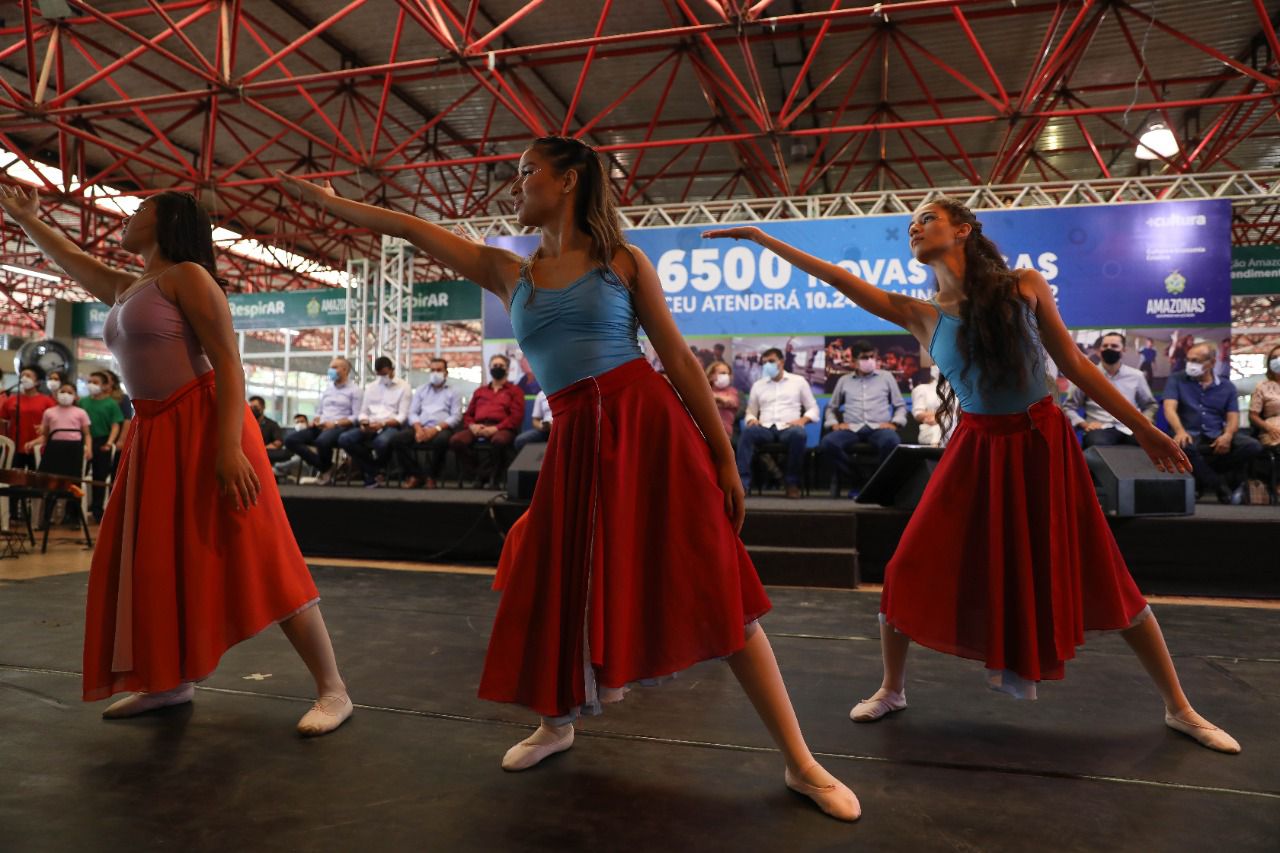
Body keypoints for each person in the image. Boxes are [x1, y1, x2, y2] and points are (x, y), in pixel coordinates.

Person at [279, 135, 859, 821]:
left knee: (716, 583)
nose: (516, 184)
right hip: (576, 436)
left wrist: (724, 454)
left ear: (570, 179)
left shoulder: (623, 262)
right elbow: (411, 226)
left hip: (647, 429)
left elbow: (676, 359)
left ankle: (800, 760)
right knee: (555, 579)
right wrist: (332, 203)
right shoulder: (508, 271)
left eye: (528, 172)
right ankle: (558, 723)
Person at [704, 197, 1239, 755]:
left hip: (1039, 442)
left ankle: (1181, 707)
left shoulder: (1023, 286)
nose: (914, 227)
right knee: (907, 563)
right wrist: (764, 240)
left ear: (963, 229)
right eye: (909, 224)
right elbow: (838, 277)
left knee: (1101, 569)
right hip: (977, 446)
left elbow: (1075, 367)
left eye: (926, 219)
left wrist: (1143, 429)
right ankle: (892, 688)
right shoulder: (921, 313)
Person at [0, 184, 350, 736]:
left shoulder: (189, 276)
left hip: (205, 423)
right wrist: (28, 221)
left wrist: (229, 446)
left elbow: (231, 365)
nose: (129, 216)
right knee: (154, 560)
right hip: (154, 430)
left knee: (261, 553)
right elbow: (69, 260)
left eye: (140, 210)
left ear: (166, 222)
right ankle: (168, 682)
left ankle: (333, 689)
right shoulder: (128, 286)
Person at [1163, 342, 1262, 505]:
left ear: (1212, 363)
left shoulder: (1227, 386)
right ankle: (1219, 485)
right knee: (1181, 446)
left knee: (1252, 446)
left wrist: (1228, 435)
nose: (1190, 364)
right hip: (1188, 434)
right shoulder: (1177, 379)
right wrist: (1180, 431)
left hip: (1215, 434)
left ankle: (1203, 480)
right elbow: (1169, 409)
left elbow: (1233, 417)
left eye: (1196, 360)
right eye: (1189, 360)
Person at [820, 340, 906, 495]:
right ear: (853, 362)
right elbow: (831, 408)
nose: (870, 361)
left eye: (872, 357)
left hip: (879, 428)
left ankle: (878, 483)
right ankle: (858, 479)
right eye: (865, 358)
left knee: (892, 441)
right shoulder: (844, 381)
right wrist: (834, 424)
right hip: (851, 428)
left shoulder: (886, 377)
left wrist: (895, 423)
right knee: (828, 443)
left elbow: (900, 406)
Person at [737, 347, 817, 499]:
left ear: (782, 362)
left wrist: (803, 420)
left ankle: (792, 483)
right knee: (747, 433)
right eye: (765, 362)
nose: (768, 365)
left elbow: (812, 408)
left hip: (789, 427)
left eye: (771, 361)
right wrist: (752, 419)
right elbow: (751, 411)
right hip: (765, 427)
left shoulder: (798, 381)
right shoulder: (758, 385)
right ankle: (742, 484)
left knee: (799, 434)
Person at [1062, 332, 1158, 449]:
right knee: (1098, 445)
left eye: (1114, 346)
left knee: (1147, 444)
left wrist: (1144, 423)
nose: (1109, 349)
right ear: (1099, 350)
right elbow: (1068, 407)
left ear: (1123, 350)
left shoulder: (1137, 376)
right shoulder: (1086, 375)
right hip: (1099, 428)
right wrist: (1084, 424)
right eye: (1105, 346)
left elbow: (1150, 405)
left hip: (1130, 428)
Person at [449, 354, 524, 488]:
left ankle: (491, 477)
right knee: (456, 440)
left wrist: (496, 428)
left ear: (507, 369)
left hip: (502, 428)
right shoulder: (480, 391)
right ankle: (480, 474)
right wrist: (472, 426)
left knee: (498, 441)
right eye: (494, 366)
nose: (497, 368)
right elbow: (468, 414)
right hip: (477, 427)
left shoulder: (515, 391)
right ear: (489, 368)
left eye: (501, 366)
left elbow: (516, 417)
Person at [283, 357, 361, 484]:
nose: (331, 370)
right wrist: (316, 419)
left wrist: (334, 424)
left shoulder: (355, 391)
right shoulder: (328, 389)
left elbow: (356, 417)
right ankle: (326, 468)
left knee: (322, 441)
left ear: (345, 370)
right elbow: (319, 410)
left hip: (339, 427)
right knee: (290, 440)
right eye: (331, 367)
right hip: (320, 426)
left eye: (335, 367)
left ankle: (325, 471)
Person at [338, 356, 411, 489]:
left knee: (381, 443)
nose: (382, 377)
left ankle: (373, 472)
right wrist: (364, 421)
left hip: (391, 425)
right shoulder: (371, 387)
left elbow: (402, 416)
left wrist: (383, 424)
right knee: (345, 439)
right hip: (370, 424)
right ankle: (374, 470)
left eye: (384, 373)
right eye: (379, 374)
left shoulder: (404, 387)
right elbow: (363, 411)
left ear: (391, 370)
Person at [390, 357, 462, 489]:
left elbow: (456, 416)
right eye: (432, 370)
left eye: (439, 370)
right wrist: (418, 429)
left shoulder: (454, 392)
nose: (435, 373)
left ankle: (431, 476)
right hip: (421, 426)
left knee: (441, 441)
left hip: (442, 427)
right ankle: (415, 475)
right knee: (397, 439)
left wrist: (435, 429)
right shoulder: (421, 390)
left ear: (446, 373)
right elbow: (412, 412)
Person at [78, 370, 124, 522]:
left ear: (105, 385)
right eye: (89, 382)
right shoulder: (83, 402)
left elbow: (115, 425)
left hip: (102, 442)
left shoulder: (111, 404)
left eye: (95, 382)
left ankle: (98, 511)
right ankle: (76, 511)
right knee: (79, 476)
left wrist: (109, 443)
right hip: (84, 442)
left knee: (100, 476)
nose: (91, 385)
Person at [2, 365, 56, 470]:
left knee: (36, 480)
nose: (24, 378)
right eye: (22, 376)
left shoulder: (47, 401)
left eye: (28, 376)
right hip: (15, 448)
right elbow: (3, 421)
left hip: (38, 448)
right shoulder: (12, 400)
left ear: (37, 382)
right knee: (15, 480)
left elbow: (53, 424)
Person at [1249, 344, 1280, 501]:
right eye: (1274, 358)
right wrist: (1268, 427)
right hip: (1272, 428)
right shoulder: (1262, 387)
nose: (1278, 361)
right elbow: (1253, 415)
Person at [249, 395, 290, 465]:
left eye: (255, 407)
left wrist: (260, 449)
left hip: (265, 454)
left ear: (263, 407)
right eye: (250, 407)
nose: (253, 409)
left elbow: (278, 442)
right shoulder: (247, 424)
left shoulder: (271, 424)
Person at [912, 365, 945, 447]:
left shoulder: (958, 391)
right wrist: (945, 416)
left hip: (954, 427)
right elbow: (918, 414)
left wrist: (940, 418)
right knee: (938, 430)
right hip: (929, 428)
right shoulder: (922, 389)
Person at [707, 359, 740, 440]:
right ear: (711, 375)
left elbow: (731, 402)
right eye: (723, 373)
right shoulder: (705, 390)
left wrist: (714, 399)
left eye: (728, 374)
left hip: (725, 434)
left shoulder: (733, 392)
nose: (727, 376)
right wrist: (720, 401)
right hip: (705, 432)